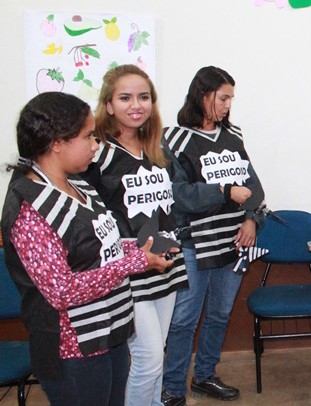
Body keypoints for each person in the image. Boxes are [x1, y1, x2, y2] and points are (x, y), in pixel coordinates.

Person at [1, 92, 173, 405]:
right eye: (88, 137)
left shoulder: (79, 184)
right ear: (57, 143)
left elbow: (99, 246)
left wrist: (140, 248)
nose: (95, 145)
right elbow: (62, 290)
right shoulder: (30, 208)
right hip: (75, 350)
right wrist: (136, 262)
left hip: (109, 331)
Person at [82, 65, 189, 406]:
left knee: (157, 352)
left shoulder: (156, 149)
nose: (136, 105)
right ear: (109, 105)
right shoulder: (97, 152)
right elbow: (90, 216)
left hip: (165, 260)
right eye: (125, 98)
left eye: (143, 97)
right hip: (129, 269)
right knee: (147, 358)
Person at [161, 66, 266, 405]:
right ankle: (172, 388)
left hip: (233, 242)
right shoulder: (173, 140)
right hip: (194, 244)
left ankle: (205, 376)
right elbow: (178, 194)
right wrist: (223, 191)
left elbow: (254, 187)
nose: (227, 105)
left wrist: (251, 220)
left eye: (231, 99)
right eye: (222, 98)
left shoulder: (233, 136)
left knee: (219, 315)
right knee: (184, 321)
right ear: (202, 95)